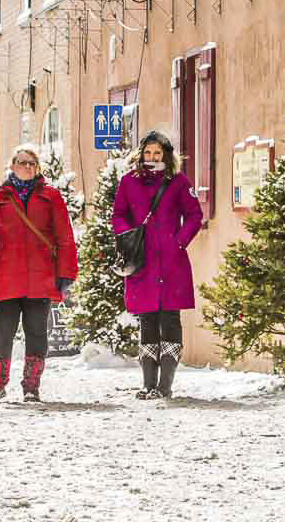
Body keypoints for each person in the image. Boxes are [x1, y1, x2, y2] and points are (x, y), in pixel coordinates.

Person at [0, 143, 78, 403]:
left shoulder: (50, 196)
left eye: (31, 163)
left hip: (40, 279)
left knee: (37, 334)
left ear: (37, 168)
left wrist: (66, 273)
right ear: (12, 166)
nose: (27, 167)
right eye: (22, 162)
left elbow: (64, 237)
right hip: (6, 278)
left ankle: (31, 386)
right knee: (2, 334)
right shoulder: (0, 198)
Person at [113, 130, 203, 400]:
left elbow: (194, 215)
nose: (151, 158)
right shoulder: (128, 182)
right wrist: (129, 238)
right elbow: (118, 214)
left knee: (170, 319)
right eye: (147, 153)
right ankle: (147, 384)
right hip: (142, 260)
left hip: (171, 261)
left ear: (166, 155)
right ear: (140, 154)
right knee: (147, 319)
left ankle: (165, 386)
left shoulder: (177, 182)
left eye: (157, 153)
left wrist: (179, 242)